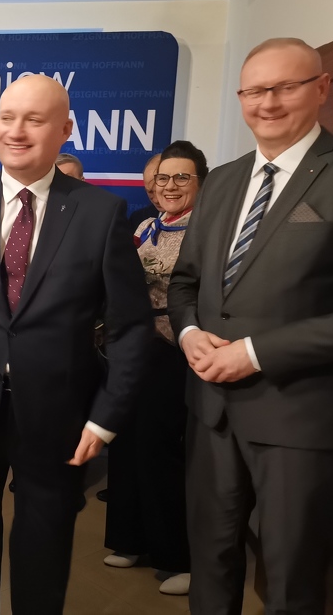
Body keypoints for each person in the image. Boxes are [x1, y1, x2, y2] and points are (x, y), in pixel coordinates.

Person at [0, 74, 152, 614]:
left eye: (34, 119)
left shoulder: (101, 213)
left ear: (65, 129)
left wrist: (105, 419)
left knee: (44, 547)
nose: (16, 131)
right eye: (6, 118)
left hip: (59, 415)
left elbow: (130, 326)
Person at [169, 37, 333, 614]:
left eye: (284, 87)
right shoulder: (221, 180)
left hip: (298, 417)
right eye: (253, 90)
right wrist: (189, 333)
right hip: (210, 412)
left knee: (292, 579)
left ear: (321, 88)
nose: (267, 103)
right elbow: (185, 282)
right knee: (211, 565)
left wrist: (256, 352)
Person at [103, 140, 208, 596]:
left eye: (182, 177)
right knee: (125, 442)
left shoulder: (208, 229)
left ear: (202, 182)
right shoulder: (146, 225)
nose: (169, 185)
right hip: (132, 349)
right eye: (163, 177)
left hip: (175, 350)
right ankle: (129, 539)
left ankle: (176, 556)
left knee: (162, 450)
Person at [128, 153, 164, 230]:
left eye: (161, 192)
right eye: (150, 192)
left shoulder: (191, 220)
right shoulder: (138, 218)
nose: (156, 200)